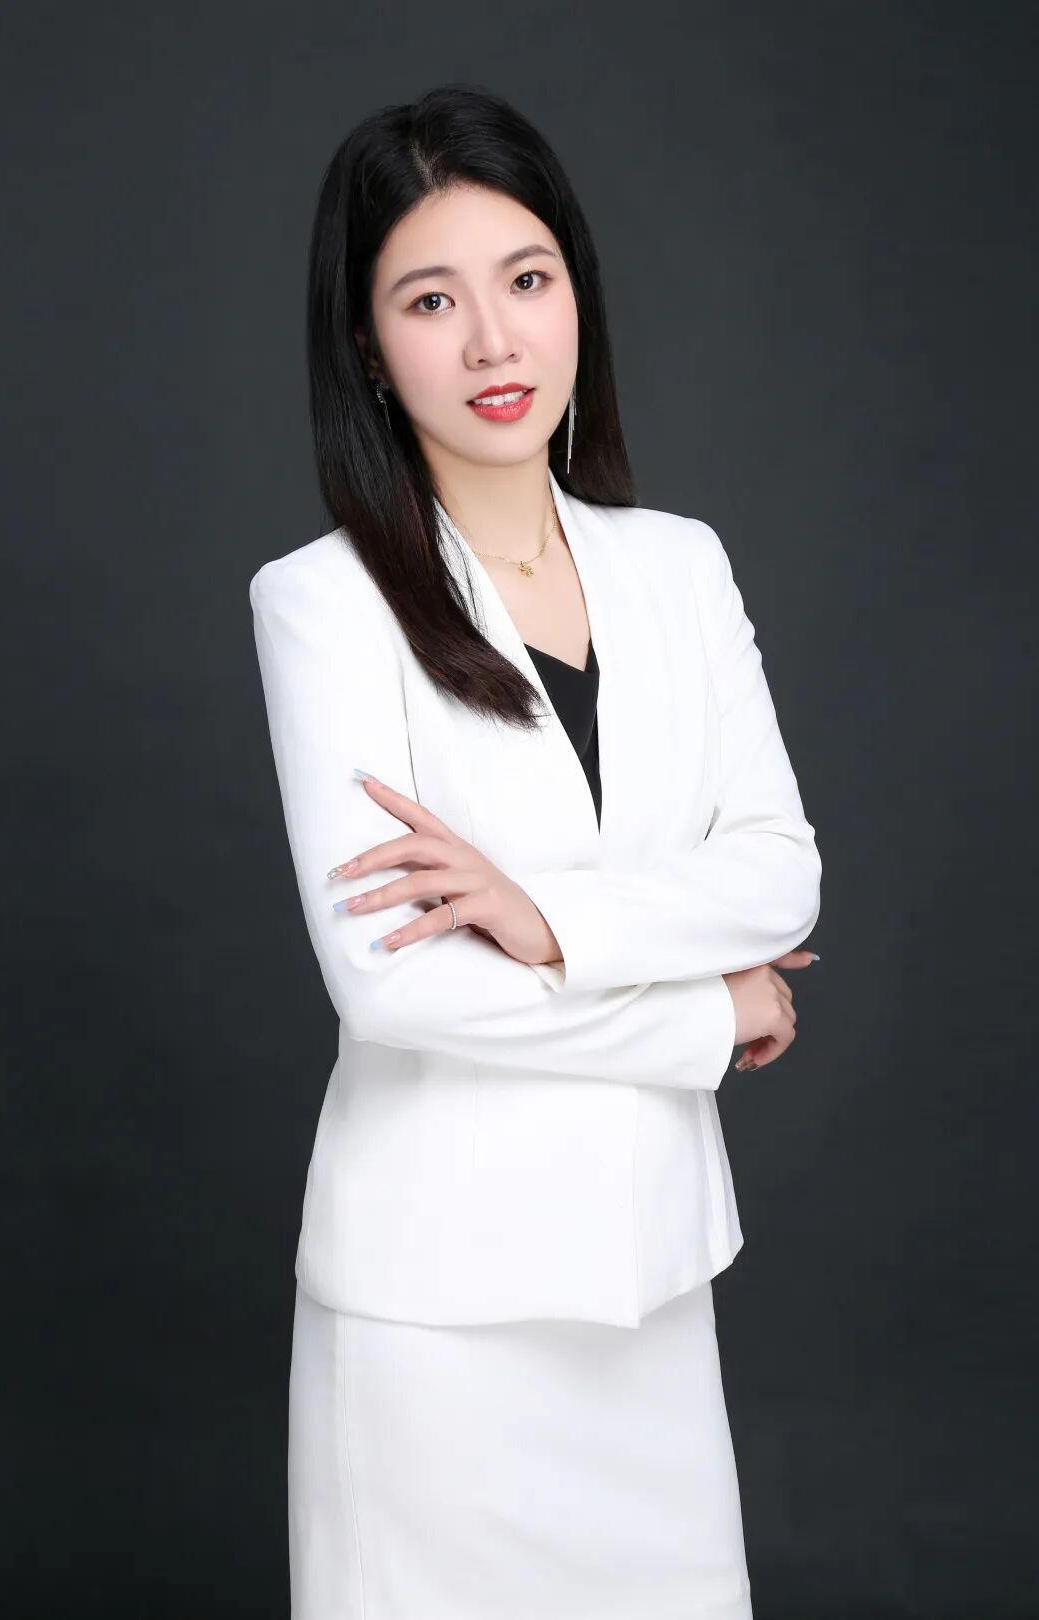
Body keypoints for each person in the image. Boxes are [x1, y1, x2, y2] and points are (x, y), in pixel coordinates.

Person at [249, 81, 822, 1620]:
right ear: (370, 343)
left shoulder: (677, 566)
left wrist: (540, 916)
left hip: (651, 1286)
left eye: (527, 279)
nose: (495, 342)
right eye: (432, 300)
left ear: (578, 291)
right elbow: (398, 991)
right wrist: (712, 1011)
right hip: (435, 1315)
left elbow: (779, 872)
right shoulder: (323, 603)